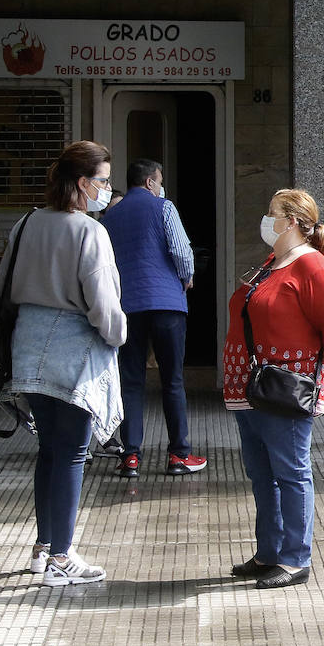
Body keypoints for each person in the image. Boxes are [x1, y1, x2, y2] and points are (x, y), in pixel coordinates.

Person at [0, 140, 126, 586]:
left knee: (49, 450)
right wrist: (120, 336)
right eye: (105, 181)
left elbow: (2, 285)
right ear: (83, 183)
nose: (108, 189)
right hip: (73, 351)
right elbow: (104, 304)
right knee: (72, 454)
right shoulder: (89, 231)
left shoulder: (27, 222)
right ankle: (62, 557)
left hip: (28, 346)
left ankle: (44, 545)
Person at [222, 189, 324, 590]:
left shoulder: (313, 268)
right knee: (262, 472)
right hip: (251, 386)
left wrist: (323, 360)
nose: (267, 219)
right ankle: (269, 552)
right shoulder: (273, 263)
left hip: (284, 387)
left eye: (272, 213)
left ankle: (295, 559)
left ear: (292, 221)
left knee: (291, 472)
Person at [102, 159, 200, 478]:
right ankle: (178, 455)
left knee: (131, 382)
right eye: (158, 181)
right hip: (167, 304)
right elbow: (181, 249)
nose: (160, 187)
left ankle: (130, 457)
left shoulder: (109, 217)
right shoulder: (164, 207)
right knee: (172, 380)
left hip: (128, 306)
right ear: (149, 183)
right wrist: (186, 277)